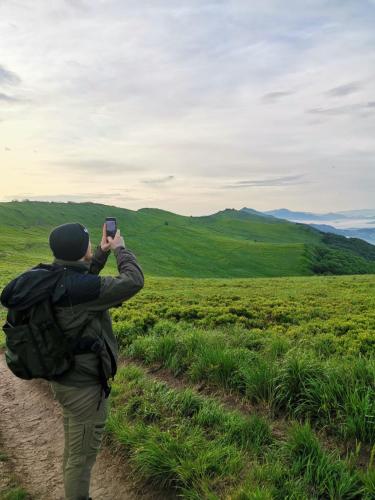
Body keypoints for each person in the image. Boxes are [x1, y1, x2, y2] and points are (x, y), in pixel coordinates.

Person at [46, 221, 144, 500]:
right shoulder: (79, 290)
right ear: (79, 248)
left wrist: (100, 254)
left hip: (65, 378)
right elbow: (133, 281)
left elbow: (82, 281)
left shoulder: (57, 276)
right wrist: (120, 250)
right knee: (81, 458)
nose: (91, 245)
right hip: (83, 389)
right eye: (87, 242)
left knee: (74, 448)